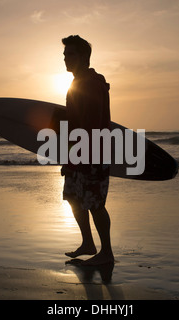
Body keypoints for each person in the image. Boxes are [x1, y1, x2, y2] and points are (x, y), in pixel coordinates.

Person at [61, 35, 114, 266]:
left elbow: (91, 124)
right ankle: (88, 244)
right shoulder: (78, 82)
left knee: (94, 203)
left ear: (83, 57)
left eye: (69, 54)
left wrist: (81, 156)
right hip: (78, 152)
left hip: (93, 153)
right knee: (73, 197)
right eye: (64, 54)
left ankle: (107, 253)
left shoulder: (90, 84)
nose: (65, 58)